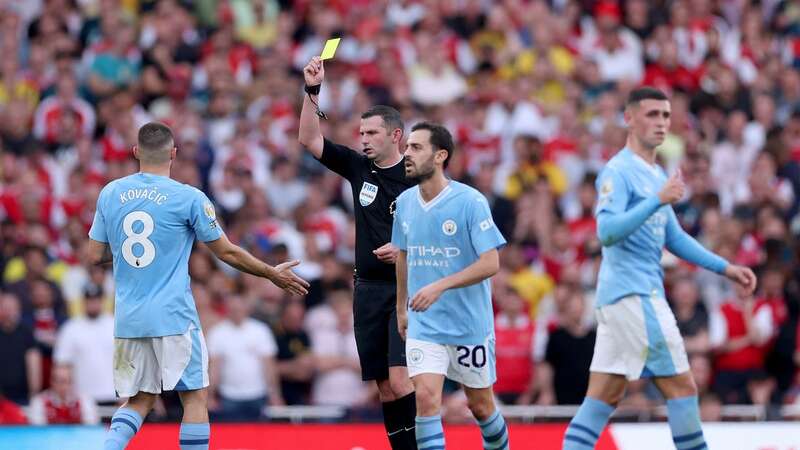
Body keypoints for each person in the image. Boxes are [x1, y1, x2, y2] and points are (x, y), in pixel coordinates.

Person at [87, 122, 309, 450]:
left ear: (136, 153)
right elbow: (227, 251)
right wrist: (270, 273)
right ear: (173, 154)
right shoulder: (188, 198)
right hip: (174, 316)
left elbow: (94, 255)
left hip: (130, 318)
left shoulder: (111, 193)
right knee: (194, 398)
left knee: (140, 399)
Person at [561, 87, 757, 450]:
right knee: (683, 388)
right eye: (652, 114)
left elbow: (676, 238)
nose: (662, 123)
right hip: (634, 295)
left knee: (602, 397)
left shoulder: (656, 173)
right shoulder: (618, 171)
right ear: (629, 118)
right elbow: (606, 232)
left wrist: (726, 268)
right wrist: (656, 200)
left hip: (621, 299)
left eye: (666, 115)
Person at [298, 56, 417, 449]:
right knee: (384, 387)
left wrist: (404, 249)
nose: (363, 139)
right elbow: (309, 140)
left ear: (396, 136)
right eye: (361, 132)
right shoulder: (357, 167)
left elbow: (438, 234)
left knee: (401, 381)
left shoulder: (418, 178)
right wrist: (312, 92)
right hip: (366, 290)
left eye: (372, 133)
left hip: (405, 289)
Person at [392, 122, 509, 450]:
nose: (407, 154)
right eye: (407, 147)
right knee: (427, 400)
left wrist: (440, 286)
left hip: (469, 325)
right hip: (424, 325)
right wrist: (401, 307)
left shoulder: (470, 202)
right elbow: (403, 255)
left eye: (416, 148)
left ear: (440, 155)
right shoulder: (404, 203)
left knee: (481, 406)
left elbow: (491, 263)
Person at [207, 295, 283, 421]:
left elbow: (269, 366)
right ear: (227, 309)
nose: (236, 312)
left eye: (239, 309)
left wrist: (275, 395)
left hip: (258, 393)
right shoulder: (217, 332)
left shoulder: (260, 330)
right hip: (229, 395)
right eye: (233, 309)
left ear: (246, 309)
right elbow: (214, 367)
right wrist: (210, 396)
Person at [53, 282, 116, 405]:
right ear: (83, 301)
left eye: (96, 299)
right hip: (81, 399)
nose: (92, 303)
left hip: (114, 396)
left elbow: (128, 362)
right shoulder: (70, 328)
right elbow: (62, 365)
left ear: (103, 300)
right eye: (89, 300)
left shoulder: (115, 325)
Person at [28, 364, 99, 425]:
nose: (64, 386)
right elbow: (38, 431)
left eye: (67, 381)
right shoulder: (39, 401)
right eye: (59, 381)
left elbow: (91, 428)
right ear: (52, 382)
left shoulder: (84, 400)